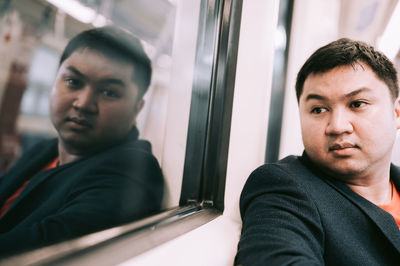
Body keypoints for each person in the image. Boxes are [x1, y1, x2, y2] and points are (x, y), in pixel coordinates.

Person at [0, 26, 164, 256]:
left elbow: (45, 246)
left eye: (109, 92)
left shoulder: (132, 172)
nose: (84, 103)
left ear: (137, 109)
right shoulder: (45, 150)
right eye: (73, 82)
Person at [235, 38, 400, 265]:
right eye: (318, 109)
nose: (337, 126)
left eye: (357, 104)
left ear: (396, 113)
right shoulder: (282, 188)